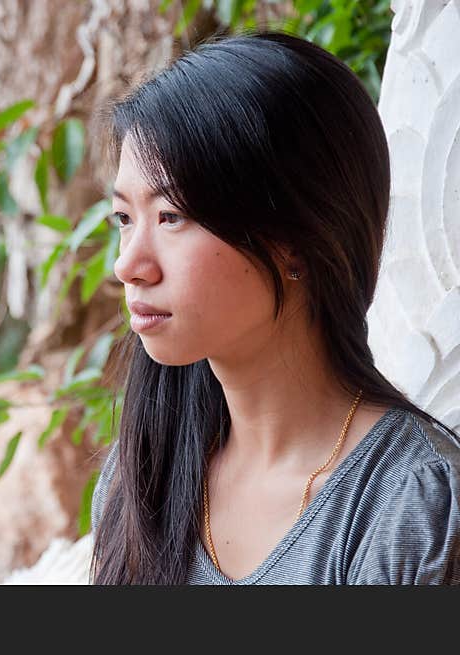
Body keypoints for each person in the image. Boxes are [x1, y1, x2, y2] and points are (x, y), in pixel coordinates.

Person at [87, 29, 460, 585]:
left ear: (296, 240)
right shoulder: (139, 477)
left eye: (171, 217)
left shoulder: (408, 502)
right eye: (124, 219)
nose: (129, 264)